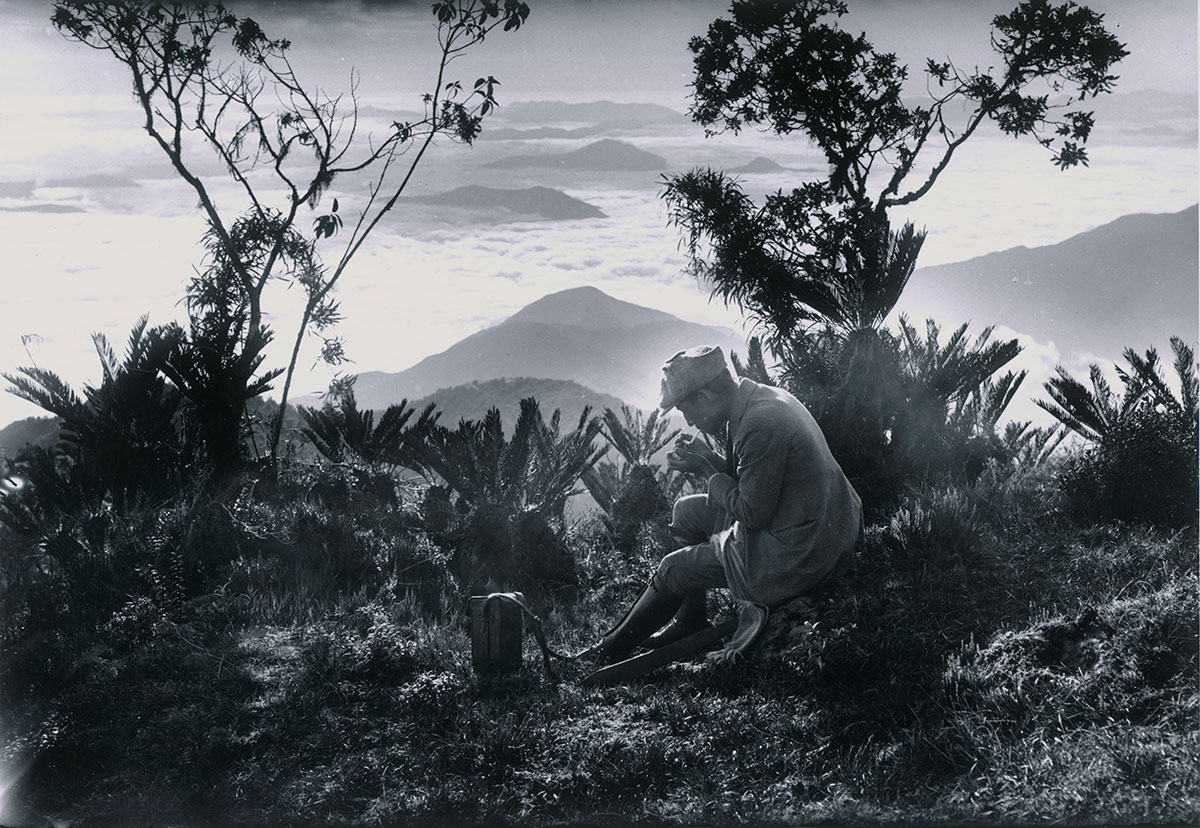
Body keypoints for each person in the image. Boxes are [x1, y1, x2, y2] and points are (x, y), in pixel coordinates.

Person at [582, 344, 862, 665]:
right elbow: (758, 477)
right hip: (820, 524)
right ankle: (690, 622)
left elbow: (753, 513)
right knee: (685, 512)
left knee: (674, 568)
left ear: (704, 398)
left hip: (803, 552)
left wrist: (705, 469)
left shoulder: (758, 423)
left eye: (687, 411)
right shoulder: (757, 398)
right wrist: (710, 458)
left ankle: (607, 651)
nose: (688, 422)